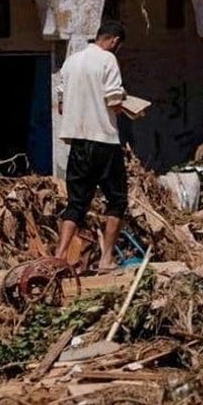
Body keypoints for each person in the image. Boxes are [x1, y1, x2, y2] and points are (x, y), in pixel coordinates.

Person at [55, 20, 129, 272]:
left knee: (76, 203)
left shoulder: (71, 61)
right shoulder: (108, 60)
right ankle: (106, 259)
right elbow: (113, 100)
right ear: (115, 41)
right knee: (117, 200)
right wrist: (126, 107)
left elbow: (61, 103)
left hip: (77, 142)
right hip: (104, 141)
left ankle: (60, 256)